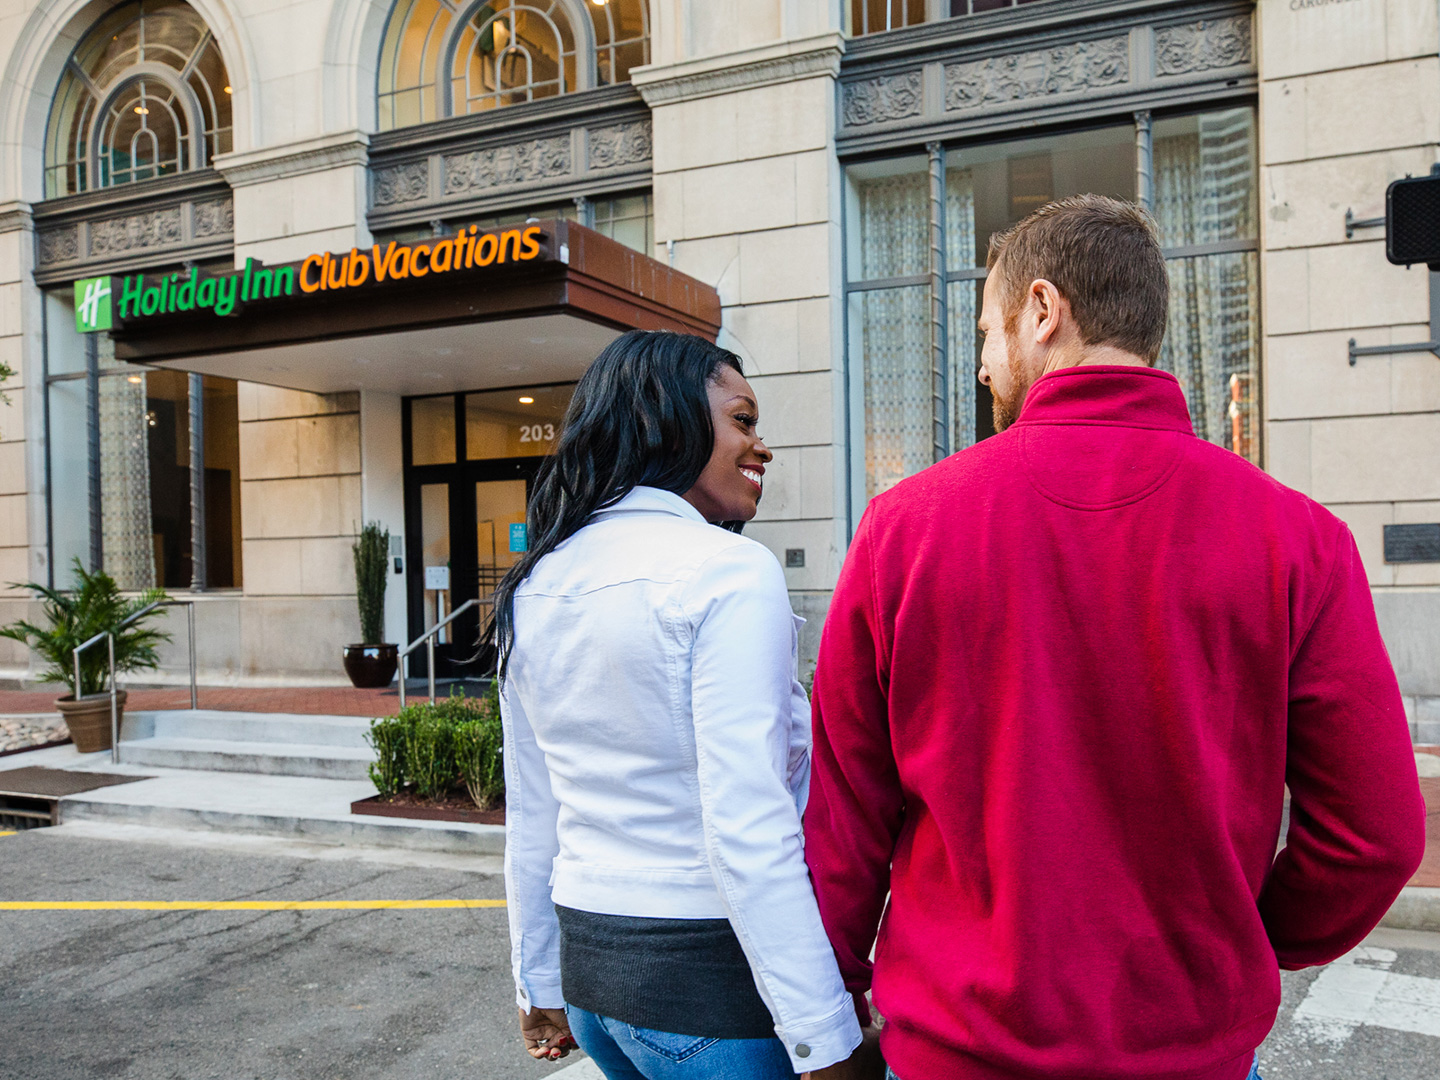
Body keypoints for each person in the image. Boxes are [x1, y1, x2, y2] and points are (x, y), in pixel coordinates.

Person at [804, 195, 1427, 1080]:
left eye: (989, 331)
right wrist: (1241, 943)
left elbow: (845, 821)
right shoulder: (1298, 539)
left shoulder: (904, 530)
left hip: (956, 1046)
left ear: (1043, 312)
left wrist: (829, 1010)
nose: (983, 365)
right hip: (1189, 1049)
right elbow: (1378, 836)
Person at [495, 330, 863, 1078]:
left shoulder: (536, 580)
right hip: (711, 996)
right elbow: (748, 826)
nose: (762, 447)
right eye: (744, 420)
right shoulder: (727, 573)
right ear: (668, 419)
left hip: (596, 989)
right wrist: (827, 1041)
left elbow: (534, 809)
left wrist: (539, 982)